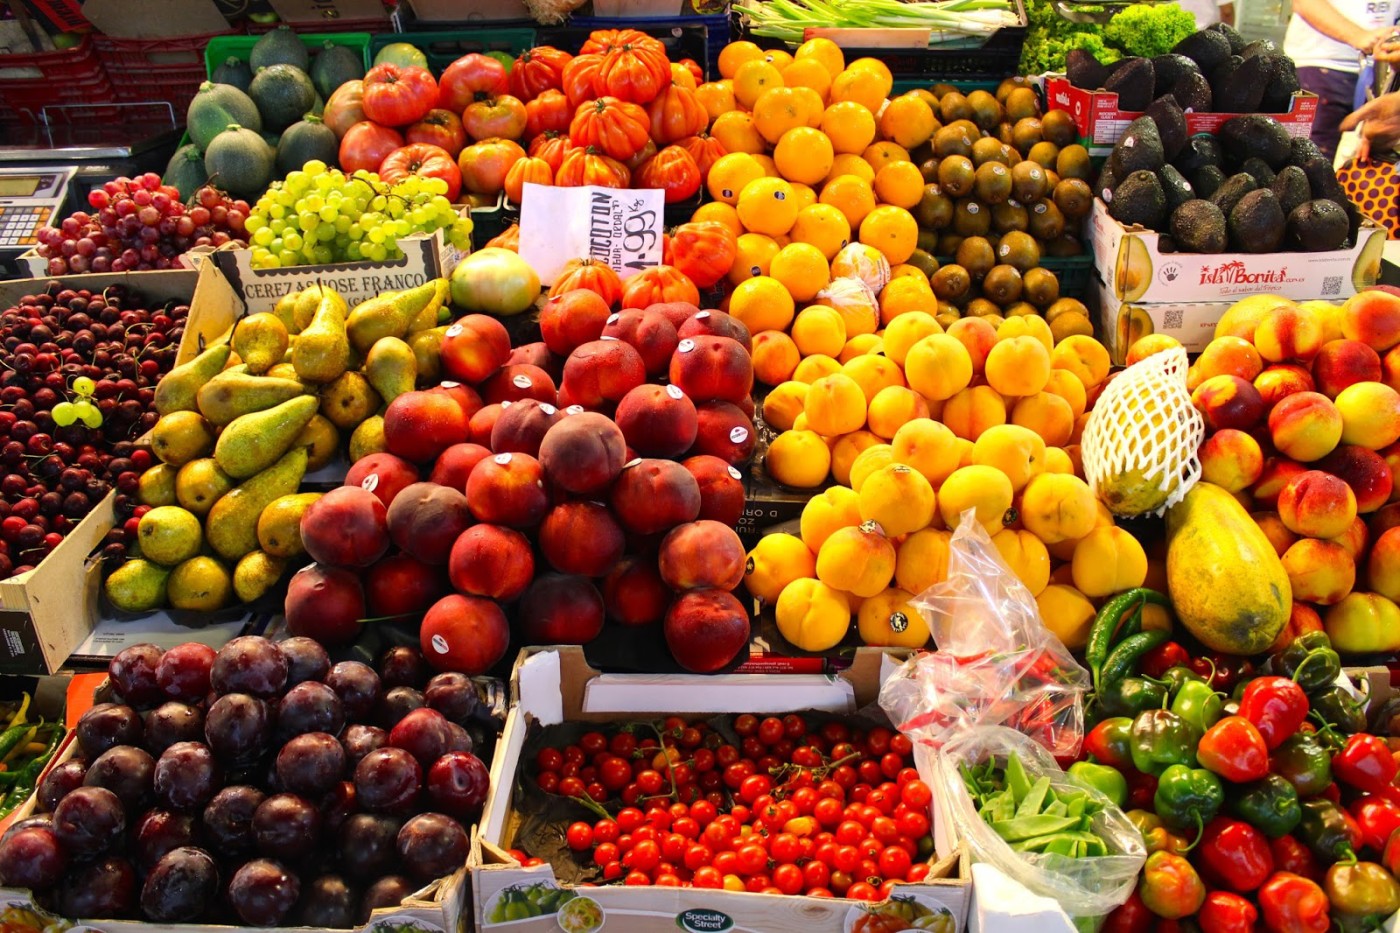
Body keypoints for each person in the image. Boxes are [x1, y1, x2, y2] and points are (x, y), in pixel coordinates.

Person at [1285, 0, 1399, 159]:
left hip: (1381, 71)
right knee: (1309, 161)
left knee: (1369, 159)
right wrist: (1358, 36)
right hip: (1321, 65)